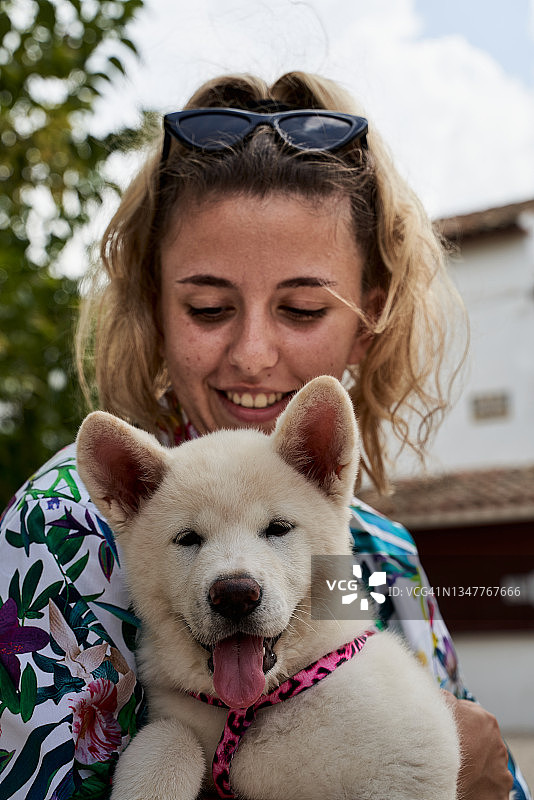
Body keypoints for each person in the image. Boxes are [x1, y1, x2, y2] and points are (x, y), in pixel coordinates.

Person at [0, 71, 528, 800]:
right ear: (155, 309)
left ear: (367, 321)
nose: (253, 354)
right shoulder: (70, 525)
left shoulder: (380, 552)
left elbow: (370, 709)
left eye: (303, 309)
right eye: (209, 307)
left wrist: (470, 770)